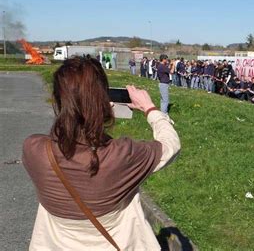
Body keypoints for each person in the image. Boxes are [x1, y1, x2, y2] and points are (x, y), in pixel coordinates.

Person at [22, 57, 180, 250]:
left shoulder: (34, 149)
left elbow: (69, 143)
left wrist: (87, 118)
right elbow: (170, 145)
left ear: (58, 100)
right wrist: (150, 109)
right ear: (103, 100)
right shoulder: (122, 156)